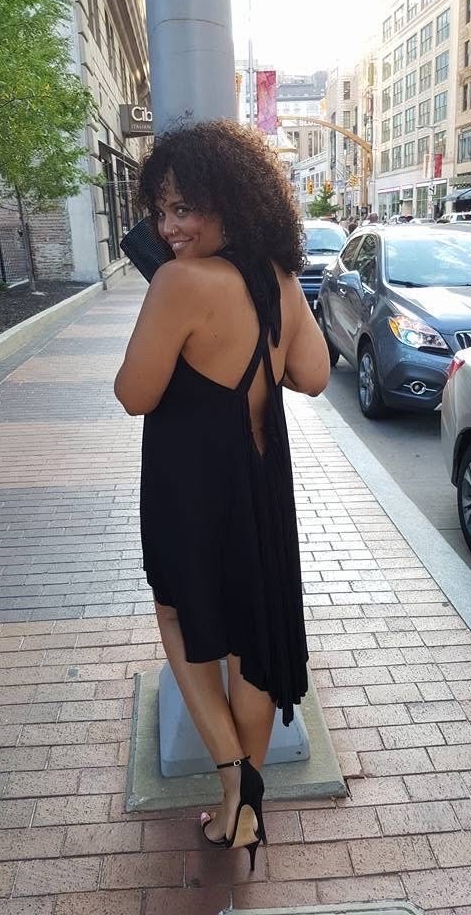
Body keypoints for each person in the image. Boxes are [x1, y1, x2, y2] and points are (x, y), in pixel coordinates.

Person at [114, 120, 330, 872]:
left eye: (184, 209)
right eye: (160, 212)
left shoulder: (179, 283)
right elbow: (314, 376)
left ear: (229, 201)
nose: (168, 228)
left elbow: (134, 394)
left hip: (191, 488)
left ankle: (236, 785)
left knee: (179, 614)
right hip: (261, 486)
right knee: (253, 637)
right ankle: (247, 804)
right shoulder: (280, 280)